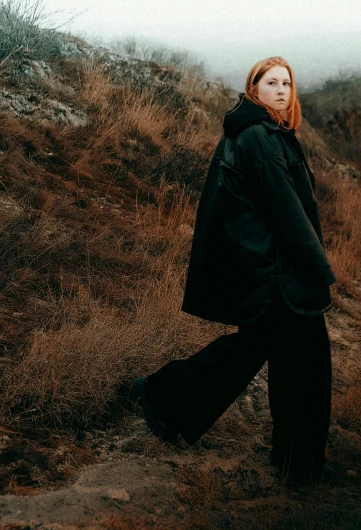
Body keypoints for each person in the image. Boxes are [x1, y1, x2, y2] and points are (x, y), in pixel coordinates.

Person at [131, 56, 337, 481]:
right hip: (278, 271)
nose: (281, 89)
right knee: (303, 359)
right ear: (253, 89)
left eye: (287, 83)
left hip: (275, 269)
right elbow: (287, 211)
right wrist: (319, 268)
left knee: (278, 354)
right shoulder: (259, 136)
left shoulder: (269, 134)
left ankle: (294, 459)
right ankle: (297, 461)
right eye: (271, 82)